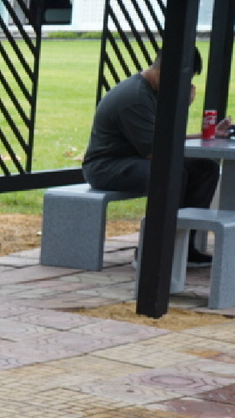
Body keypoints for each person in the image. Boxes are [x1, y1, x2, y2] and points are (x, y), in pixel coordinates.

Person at [83, 48, 225, 263]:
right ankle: (152, 251)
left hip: (136, 158)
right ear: (165, 71)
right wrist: (182, 104)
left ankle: (183, 247)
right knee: (171, 172)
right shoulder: (135, 97)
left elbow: (164, 139)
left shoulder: (153, 92)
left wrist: (207, 134)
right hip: (107, 166)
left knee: (205, 169)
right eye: (184, 78)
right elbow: (155, 152)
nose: (185, 84)